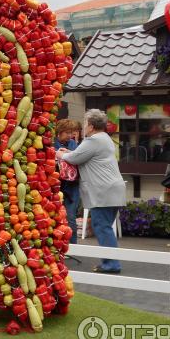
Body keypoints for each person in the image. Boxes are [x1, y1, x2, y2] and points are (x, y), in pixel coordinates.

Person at [56, 109, 125, 273]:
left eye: (85, 123)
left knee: (102, 226)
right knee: (104, 226)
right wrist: (69, 153)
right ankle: (109, 261)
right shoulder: (105, 138)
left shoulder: (93, 140)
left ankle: (111, 264)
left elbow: (74, 158)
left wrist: (59, 153)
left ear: (92, 126)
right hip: (112, 190)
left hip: (104, 191)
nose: (84, 127)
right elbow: (80, 154)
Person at [54, 119, 80, 244]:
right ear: (59, 132)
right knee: (54, 218)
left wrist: (67, 154)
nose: (70, 136)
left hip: (71, 187)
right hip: (56, 187)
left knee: (70, 218)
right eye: (67, 132)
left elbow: (78, 158)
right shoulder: (52, 144)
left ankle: (74, 248)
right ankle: (58, 246)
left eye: (72, 133)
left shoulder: (73, 144)